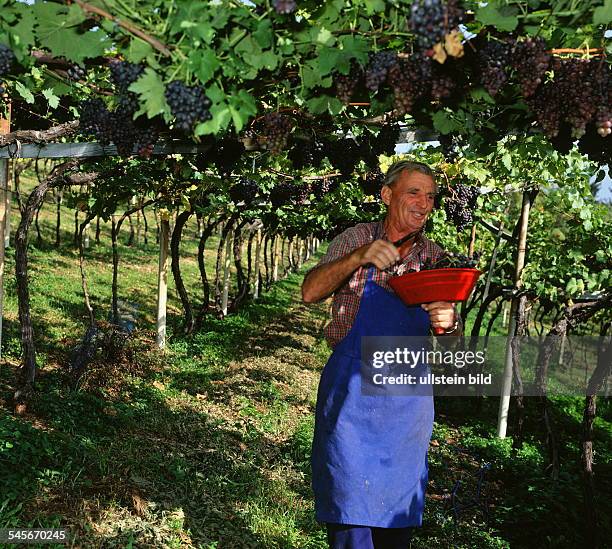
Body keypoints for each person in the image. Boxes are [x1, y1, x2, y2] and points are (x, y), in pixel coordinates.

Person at [301, 160, 460, 549]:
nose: (424, 204)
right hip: (352, 399)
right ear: (387, 195)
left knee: (396, 518)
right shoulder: (354, 238)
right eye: (414, 192)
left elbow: (451, 342)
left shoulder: (435, 258)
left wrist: (448, 322)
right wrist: (359, 258)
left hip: (405, 407)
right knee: (350, 513)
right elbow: (309, 292)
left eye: (431, 196)